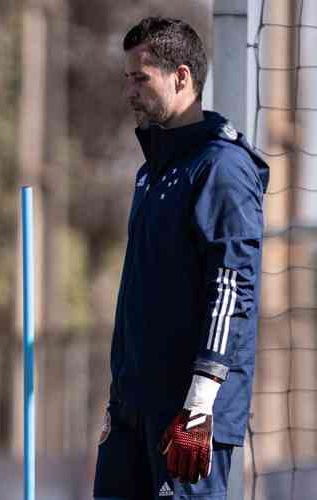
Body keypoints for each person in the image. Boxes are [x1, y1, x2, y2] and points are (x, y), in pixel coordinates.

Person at [93, 17, 269, 500]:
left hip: (186, 413)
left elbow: (233, 287)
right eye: (127, 78)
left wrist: (201, 398)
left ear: (182, 77)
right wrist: (121, 396)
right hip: (133, 406)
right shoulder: (152, 173)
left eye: (140, 78)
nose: (129, 91)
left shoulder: (222, 167)